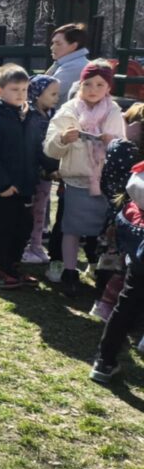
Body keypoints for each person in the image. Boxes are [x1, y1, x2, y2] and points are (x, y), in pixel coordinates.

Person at [44, 61, 126, 296]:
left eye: (100, 84)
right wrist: (62, 139)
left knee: (103, 229)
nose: (93, 89)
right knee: (71, 227)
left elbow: (122, 147)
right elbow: (50, 148)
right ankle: (69, 270)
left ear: (108, 87)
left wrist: (112, 143)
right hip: (76, 179)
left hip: (105, 180)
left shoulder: (113, 111)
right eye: (88, 84)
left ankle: (99, 269)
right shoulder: (68, 110)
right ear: (80, 84)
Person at [0, 66, 39, 289]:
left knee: (23, 227)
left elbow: (33, 148)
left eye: (24, 89)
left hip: (24, 184)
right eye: (14, 89)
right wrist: (2, 184)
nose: (20, 94)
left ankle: (12, 265)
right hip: (2, 188)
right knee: (2, 229)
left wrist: (46, 167)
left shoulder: (28, 117)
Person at [90, 160, 144, 383]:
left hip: (137, 233)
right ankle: (105, 360)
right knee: (129, 300)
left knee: (128, 300)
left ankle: (104, 360)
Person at [22, 76, 61, 265]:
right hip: (33, 172)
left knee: (41, 210)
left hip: (46, 173)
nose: (56, 98)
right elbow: (36, 146)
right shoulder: (31, 117)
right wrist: (50, 166)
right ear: (38, 94)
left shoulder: (50, 114)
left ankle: (36, 244)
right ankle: (25, 246)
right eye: (52, 94)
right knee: (30, 211)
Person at [46, 23, 91, 101]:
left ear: (73, 46)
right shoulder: (66, 63)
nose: (52, 47)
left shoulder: (75, 66)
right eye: (53, 43)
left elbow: (44, 93)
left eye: (58, 44)